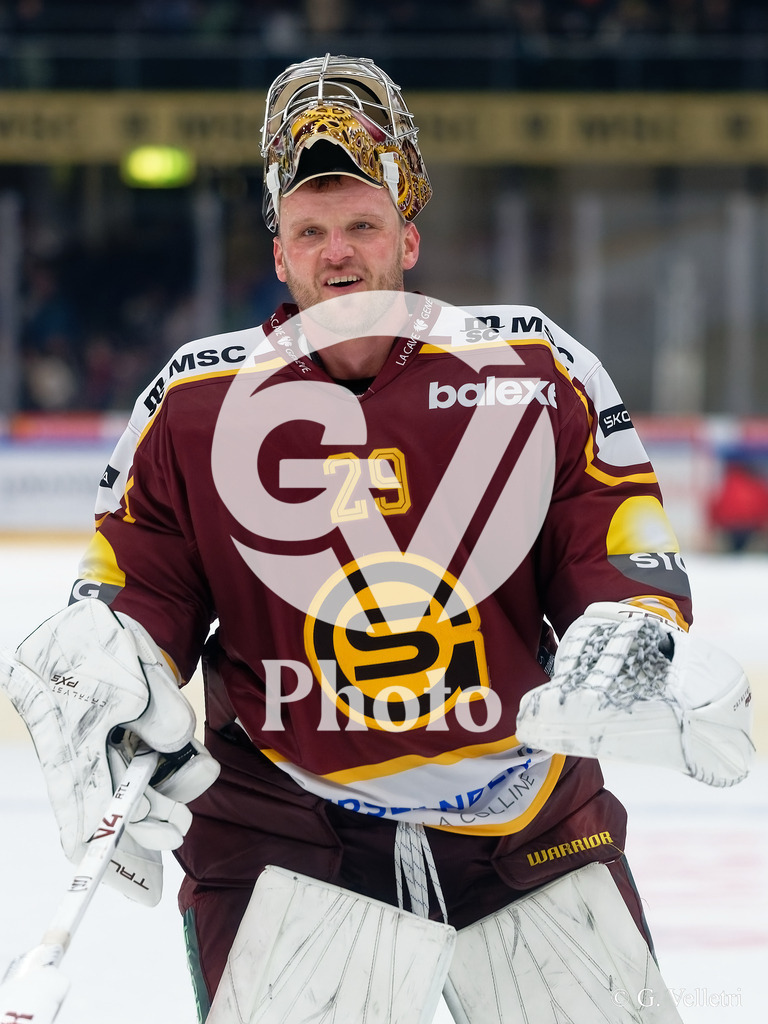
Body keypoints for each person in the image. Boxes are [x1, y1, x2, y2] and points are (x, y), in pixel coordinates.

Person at [1, 55, 754, 1023]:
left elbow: (615, 549)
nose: (339, 253)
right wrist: (107, 657)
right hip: (287, 844)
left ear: (408, 236)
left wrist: (640, 628)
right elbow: (136, 593)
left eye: (361, 225)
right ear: (279, 255)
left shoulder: (533, 371)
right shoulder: (192, 405)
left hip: (526, 831)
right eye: (311, 232)